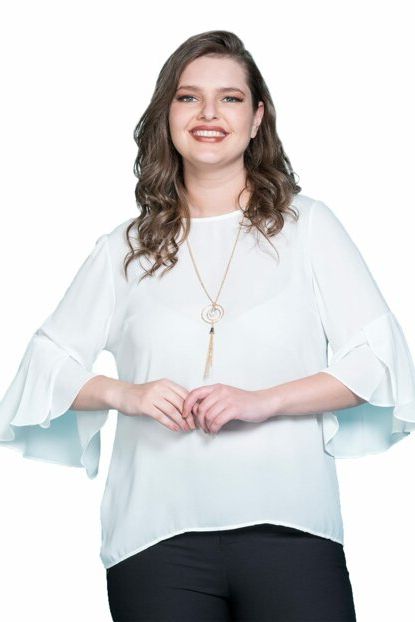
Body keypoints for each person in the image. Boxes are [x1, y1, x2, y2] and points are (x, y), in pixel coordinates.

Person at [1, 29, 414, 622]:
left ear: (257, 117)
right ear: (166, 115)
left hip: (290, 527)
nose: (209, 114)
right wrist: (125, 393)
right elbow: (43, 366)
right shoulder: (124, 249)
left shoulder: (309, 228)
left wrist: (262, 402)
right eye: (189, 97)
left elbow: (376, 362)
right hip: (155, 539)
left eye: (230, 98)